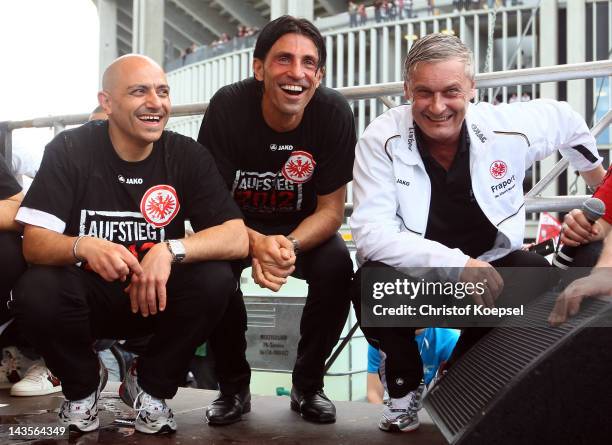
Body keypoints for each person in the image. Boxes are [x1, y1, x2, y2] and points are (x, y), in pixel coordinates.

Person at [350, 33, 605, 433]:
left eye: (451, 91)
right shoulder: (381, 138)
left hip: (491, 270)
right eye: (424, 92)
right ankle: (403, 386)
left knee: (543, 279)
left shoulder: (506, 127)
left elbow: (569, 123)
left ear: (472, 88)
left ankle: (456, 375)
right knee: (371, 284)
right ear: (406, 90)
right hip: (421, 281)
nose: (437, 107)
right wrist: (456, 264)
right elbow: (370, 234)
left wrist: (598, 186)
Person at [12, 54, 248, 435]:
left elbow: (236, 235)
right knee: (36, 287)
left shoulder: (185, 153)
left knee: (217, 277)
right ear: (107, 102)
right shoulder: (71, 148)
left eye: (163, 91)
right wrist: (83, 246)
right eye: (139, 91)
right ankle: (83, 384)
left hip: (152, 295)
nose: (155, 102)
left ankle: (150, 385)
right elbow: (34, 243)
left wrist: (168, 250)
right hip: (86, 300)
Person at [197, 15, 355, 426]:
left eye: (308, 63)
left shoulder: (334, 113)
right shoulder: (228, 107)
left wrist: (289, 247)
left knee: (338, 266)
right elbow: (208, 206)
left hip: (301, 233)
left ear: (319, 75)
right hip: (233, 228)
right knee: (213, 275)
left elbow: (331, 210)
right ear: (259, 67)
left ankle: (308, 384)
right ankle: (232, 387)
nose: (296, 73)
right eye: (284, 59)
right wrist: (254, 243)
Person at [366, 328, 459, 404]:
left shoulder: (449, 338)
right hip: (392, 397)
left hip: (426, 399)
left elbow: (453, 392)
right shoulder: (381, 339)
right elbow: (374, 393)